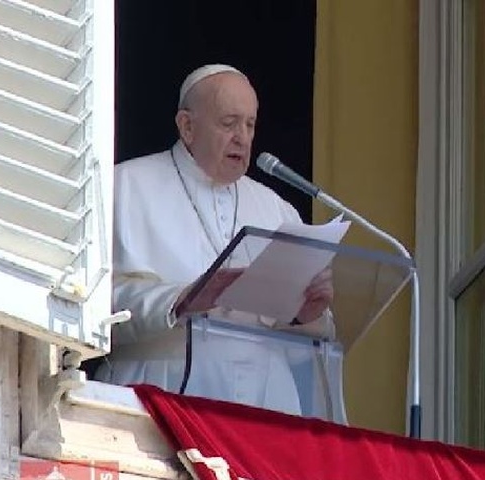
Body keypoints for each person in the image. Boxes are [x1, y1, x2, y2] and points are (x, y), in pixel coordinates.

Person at [96, 64, 334, 415]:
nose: (243, 137)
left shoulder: (277, 209)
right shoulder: (124, 187)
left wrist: (306, 316)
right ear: (187, 127)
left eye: (250, 124)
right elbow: (89, 307)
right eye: (229, 123)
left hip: (267, 404)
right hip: (159, 393)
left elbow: (310, 350)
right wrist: (180, 300)